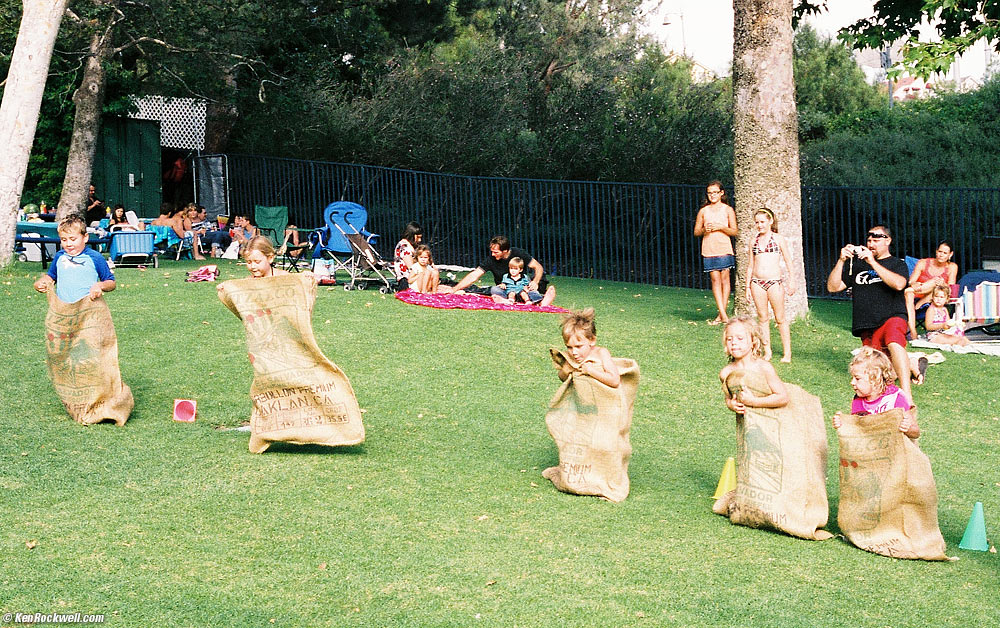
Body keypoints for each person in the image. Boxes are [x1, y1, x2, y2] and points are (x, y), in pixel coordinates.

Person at [826, 224, 920, 404]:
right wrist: (841, 261)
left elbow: (900, 284)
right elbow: (833, 287)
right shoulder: (857, 265)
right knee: (884, 374)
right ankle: (912, 364)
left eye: (876, 240)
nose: (871, 244)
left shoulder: (897, 264)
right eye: (869, 240)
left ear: (888, 241)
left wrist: (872, 262)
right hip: (868, 325)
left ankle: (907, 394)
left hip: (892, 316)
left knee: (893, 341)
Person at [832, 347, 920, 440]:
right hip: (869, 450)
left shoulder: (895, 398)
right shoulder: (858, 400)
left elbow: (916, 432)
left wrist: (907, 428)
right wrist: (843, 423)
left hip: (894, 450)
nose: (852, 382)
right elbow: (857, 428)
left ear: (875, 379)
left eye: (857, 378)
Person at [745, 208, 795, 362]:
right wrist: (747, 286)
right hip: (757, 283)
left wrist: (791, 280)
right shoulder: (754, 241)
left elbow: (788, 261)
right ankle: (767, 351)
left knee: (780, 318)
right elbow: (750, 266)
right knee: (762, 318)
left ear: (770, 221)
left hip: (774, 282)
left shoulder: (778, 239)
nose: (759, 225)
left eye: (762, 222)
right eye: (757, 222)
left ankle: (787, 353)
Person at [448, 235, 556, 306]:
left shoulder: (519, 253)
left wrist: (535, 282)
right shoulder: (491, 259)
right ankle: (509, 300)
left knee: (532, 287)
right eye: (492, 251)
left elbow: (539, 267)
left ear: (505, 251)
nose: (492, 254)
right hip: (505, 290)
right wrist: (455, 289)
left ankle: (541, 300)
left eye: (496, 252)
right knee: (493, 290)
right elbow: (475, 275)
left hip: (522, 287)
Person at [33, 215, 115, 303]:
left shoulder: (95, 257)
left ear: (85, 237)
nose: (68, 244)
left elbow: (111, 283)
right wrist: (42, 281)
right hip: (63, 309)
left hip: (88, 308)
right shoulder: (59, 256)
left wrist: (100, 285)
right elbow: (51, 276)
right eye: (64, 240)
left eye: (73, 239)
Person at [719, 316, 789, 416]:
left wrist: (753, 401)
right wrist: (731, 404)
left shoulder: (764, 368)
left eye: (740, 338)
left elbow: (783, 397)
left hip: (773, 421)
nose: (734, 342)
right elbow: (728, 398)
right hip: (747, 426)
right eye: (729, 339)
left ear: (753, 341)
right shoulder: (726, 373)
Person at [693, 180, 738, 325]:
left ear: (721, 193)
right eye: (710, 193)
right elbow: (696, 231)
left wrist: (720, 227)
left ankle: (721, 315)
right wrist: (704, 230)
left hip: (724, 248)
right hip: (709, 249)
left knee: (725, 279)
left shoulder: (728, 210)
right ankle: (723, 315)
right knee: (715, 280)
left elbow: (734, 231)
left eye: (715, 192)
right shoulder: (703, 211)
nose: (712, 195)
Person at [905, 241, 959, 339]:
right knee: (908, 292)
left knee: (936, 281)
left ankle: (923, 301)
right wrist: (914, 283)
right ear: (936, 251)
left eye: (945, 253)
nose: (941, 255)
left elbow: (950, 289)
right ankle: (912, 331)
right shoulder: (923, 263)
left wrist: (943, 284)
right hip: (916, 295)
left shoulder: (952, 267)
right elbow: (910, 282)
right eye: (940, 251)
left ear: (950, 254)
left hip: (936, 297)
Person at [557, 308, 620, 388]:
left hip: (602, 398)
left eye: (578, 346)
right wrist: (565, 371)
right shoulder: (570, 357)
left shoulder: (601, 353)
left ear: (592, 340)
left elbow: (615, 381)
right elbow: (563, 379)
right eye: (569, 347)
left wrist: (590, 371)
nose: (574, 352)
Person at [393, 222, 423, 291]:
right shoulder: (404, 247)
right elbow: (412, 267)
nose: (419, 240)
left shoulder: (409, 245)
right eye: (418, 237)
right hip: (407, 280)